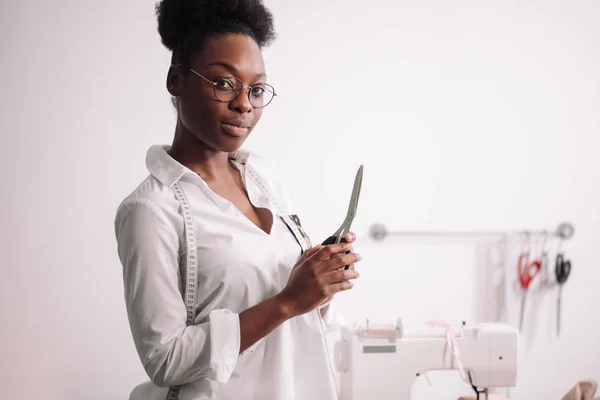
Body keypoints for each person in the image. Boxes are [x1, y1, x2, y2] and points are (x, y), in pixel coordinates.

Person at [113, 0, 362, 399]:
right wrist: (287, 302)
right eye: (223, 83)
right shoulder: (151, 211)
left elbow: (290, 311)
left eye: (256, 88)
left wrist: (320, 284)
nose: (244, 103)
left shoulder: (265, 180)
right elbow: (164, 359)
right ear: (176, 80)